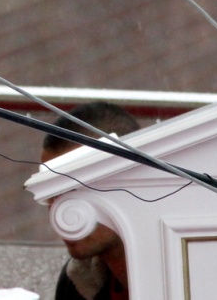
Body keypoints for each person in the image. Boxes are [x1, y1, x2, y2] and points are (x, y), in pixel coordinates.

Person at [39, 101, 141, 300]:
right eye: (48, 193)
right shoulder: (77, 281)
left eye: (71, 189)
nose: (57, 212)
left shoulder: (191, 268)